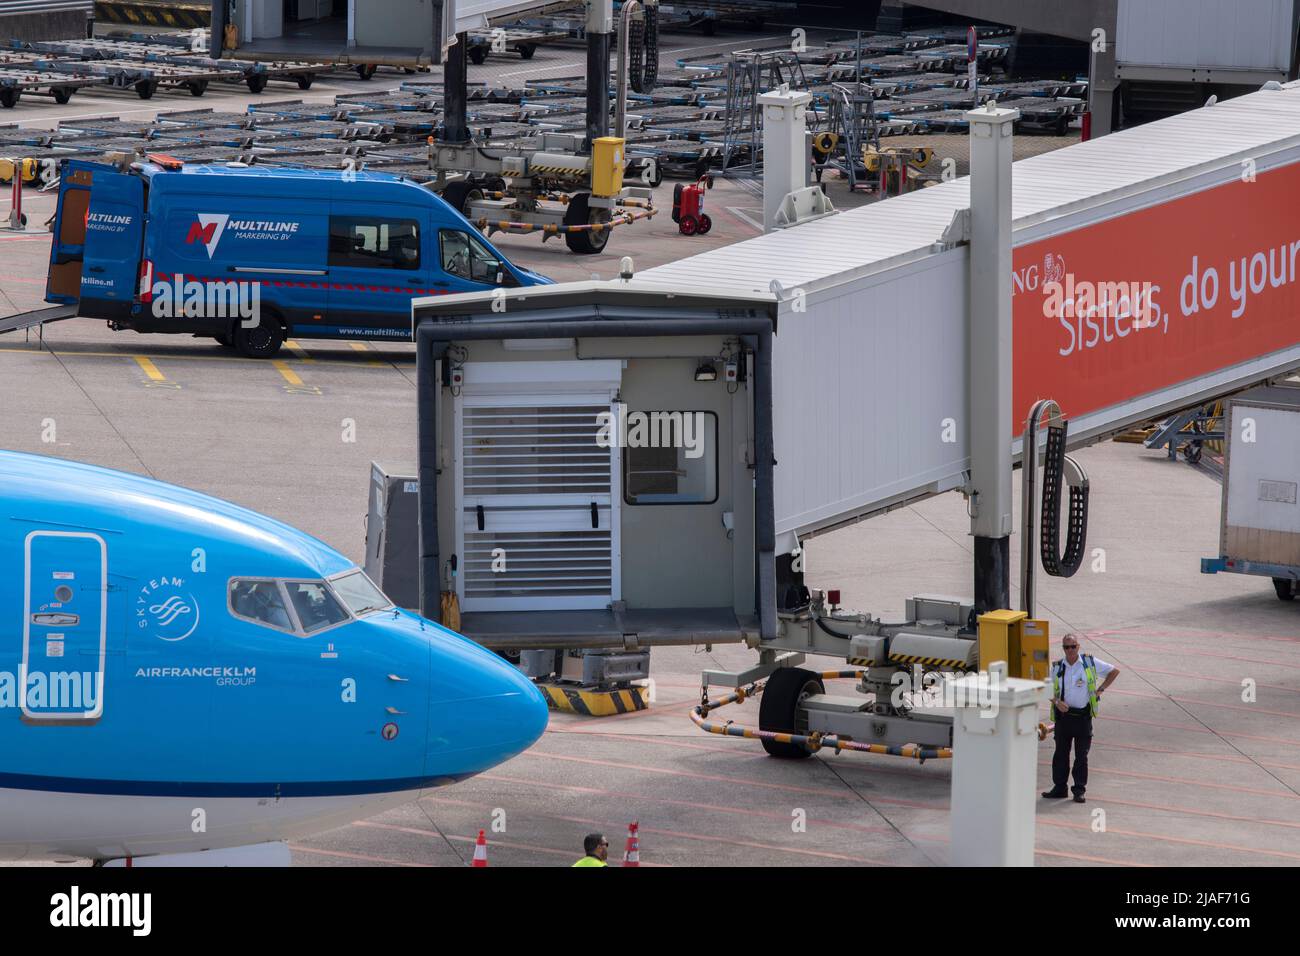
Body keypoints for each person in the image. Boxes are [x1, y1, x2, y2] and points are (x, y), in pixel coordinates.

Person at [1042, 634, 1120, 804]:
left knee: (1081, 756)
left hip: (1083, 718)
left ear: (1078, 646)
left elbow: (1114, 671)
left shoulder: (1089, 663)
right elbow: (1044, 688)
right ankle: (1060, 787)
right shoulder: (1056, 667)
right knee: (1060, 754)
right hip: (1063, 718)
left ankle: (1079, 789)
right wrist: (1056, 701)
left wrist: (1100, 690)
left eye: (1072, 646)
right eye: (1066, 647)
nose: (1069, 650)